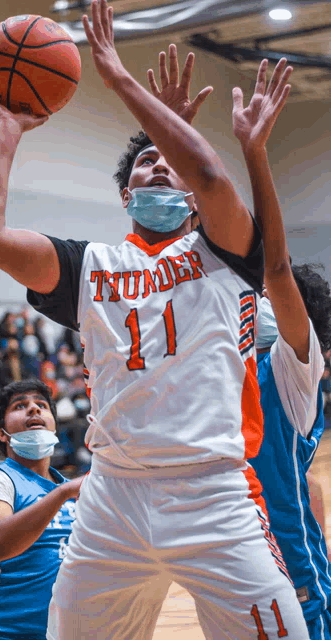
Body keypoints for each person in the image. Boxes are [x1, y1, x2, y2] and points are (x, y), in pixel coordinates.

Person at [0, 1, 309, 637]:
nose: (159, 165)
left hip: (212, 494)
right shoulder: (89, 265)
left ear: (194, 203)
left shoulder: (226, 251)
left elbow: (205, 168)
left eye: (167, 161)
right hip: (112, 498)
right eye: (145, 162)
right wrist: (9, 125)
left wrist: (119, 79)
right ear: (126, 194)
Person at [231, 57, 331, 637]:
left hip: (294, 573)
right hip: (240, 557)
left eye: (272, 299)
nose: (262, 304)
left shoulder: (295, 368)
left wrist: (255, 154)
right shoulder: (244, 363)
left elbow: (276, 266)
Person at [0, 379, 84, 640]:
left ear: (54, 425)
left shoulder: (73, 489)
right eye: (20, 406)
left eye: (41, 405)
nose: (34, 409)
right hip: (8, 632)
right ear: (1, 433)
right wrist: (61, 494)